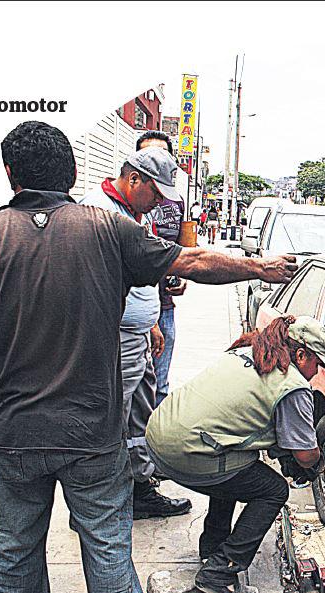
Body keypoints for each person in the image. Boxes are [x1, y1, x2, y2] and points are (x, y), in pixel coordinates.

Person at [0, 120, 297, 593]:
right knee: (107, 546)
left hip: (14, 429)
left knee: (13, 544)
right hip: (92, 430)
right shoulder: (105, 230)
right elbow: (193, 261)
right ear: (70, 174)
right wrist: (262, 268)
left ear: (10, 174)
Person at [145, 315, 325, 593]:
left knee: (239, 462)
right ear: (300, 354)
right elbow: (306, 455)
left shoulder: (248, 351)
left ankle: (213, 546)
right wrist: (317, 462)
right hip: (183, 452)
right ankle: (220, 572)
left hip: (159, 432)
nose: (316, 372)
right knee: (273, 490)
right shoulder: (292, 384)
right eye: (316, 364)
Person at [80, 147, 191, 520]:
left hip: (138, 333)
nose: (158, 202)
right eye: (155, 193)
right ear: (133, 180)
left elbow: (137, 276)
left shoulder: (131, 212)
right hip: (114, 338)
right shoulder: (99, 211)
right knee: (113, 418)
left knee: (138, 417)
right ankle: (104, 501)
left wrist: (152, 323)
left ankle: (140, 487)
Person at [133, 130, 186, 406]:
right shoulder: (125, 207)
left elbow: (186, 247)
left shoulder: (175, 201)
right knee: (135, 386)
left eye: (162, 155)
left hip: (164, 306)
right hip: (136, 313)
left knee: (160, 385)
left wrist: (183, 277)